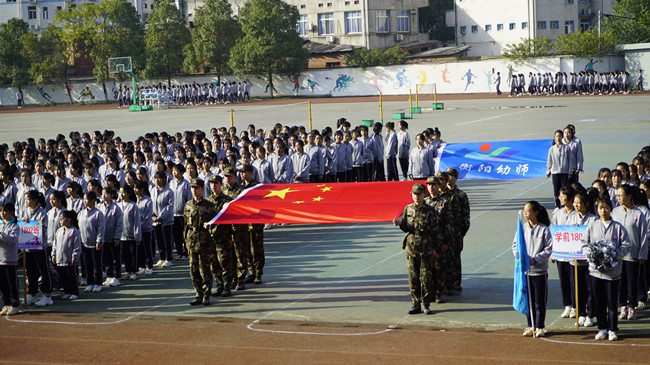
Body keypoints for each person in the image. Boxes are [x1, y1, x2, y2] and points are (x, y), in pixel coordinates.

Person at [582, 197, 630, 341]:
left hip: (613, 273)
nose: (603, 210)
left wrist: (614, 255)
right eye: (601, 208)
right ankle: (602, 328)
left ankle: (612, 329)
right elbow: (584, 244)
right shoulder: (592, 226)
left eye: (606, 208)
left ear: (611, 209)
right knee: (599, 301)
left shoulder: (618, 227)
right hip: (596, 272)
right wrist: (592, 255)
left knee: (612, 302)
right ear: (597, 210)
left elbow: (626, 246)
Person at [393, 183, 439, 315]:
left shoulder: (430, 210)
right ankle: (415, 303)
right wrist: (400, 224)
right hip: (412, 247)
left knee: (426, 277)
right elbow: (407, 228)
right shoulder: (408, 209)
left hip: (426, 246)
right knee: (413, 277)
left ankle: (427, 304)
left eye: (419, 194)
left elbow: (435, 231)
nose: (416, 196)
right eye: (414, 194)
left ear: (424, 195)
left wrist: (435, 248)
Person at [514, 201, 552, 338]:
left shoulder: (544, 229)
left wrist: (534, 259)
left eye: (528, 211)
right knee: (528, 299)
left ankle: (540, 326)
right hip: (525, 272)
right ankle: (531, 325)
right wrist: (520, 258)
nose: (525, 213)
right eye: (524, 210)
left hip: (539, 271)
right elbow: (515, 245)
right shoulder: (522, 228)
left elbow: (548, 249)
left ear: (536, 212)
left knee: (539, 300)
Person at [612, 185, 648, 321]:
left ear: (630, 196)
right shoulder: (615, 212)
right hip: (618, 255)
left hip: (633, 255)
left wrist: (642, 254)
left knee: (632, 282)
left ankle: (632, 307)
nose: (619, 198)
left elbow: (643, 236)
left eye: (622, 195)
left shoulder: (638, 214)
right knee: (620, 282)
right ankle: (623, 306)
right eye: (618, 196)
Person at [184, 178, 216, 306]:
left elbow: (216, 224)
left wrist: (210, 227)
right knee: (193, 269)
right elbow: (186, 225)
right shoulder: (188, 205)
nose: (194, 190)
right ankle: (198, 293)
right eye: (192, 187)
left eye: (197, 187)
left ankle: (206, 295)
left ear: (202, 189)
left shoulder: (209, 206)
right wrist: (185, 240)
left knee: (205, 270)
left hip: (204, 242)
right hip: (192, 240)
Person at [567, 192, 597, 327]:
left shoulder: (593, 219)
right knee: (577, 288)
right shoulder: (571, 217)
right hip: (574, 260)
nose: (576, 205)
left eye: (579, 203)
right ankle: (581, 314)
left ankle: (590, 314)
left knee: (590, 289)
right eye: (574, 202)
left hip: (588, 261)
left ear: (587, 204)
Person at [551, 186, 578, 319]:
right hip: (561, 253)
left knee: (574, 281)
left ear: (571, 198)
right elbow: (554, 232)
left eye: (563, 197)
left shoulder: (577, 213)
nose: (561, 199)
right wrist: (553, 252)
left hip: (574, 254)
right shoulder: (558, 214)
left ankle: (575, 306)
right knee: (564, 280)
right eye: (560, 196)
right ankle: (567, 305)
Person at [207, 175, 234, 297]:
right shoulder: (207, 202)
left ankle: (227, 286)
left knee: (225, 262)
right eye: (211, 183)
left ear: (220, 184)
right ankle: (219, 286)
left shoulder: (227, 201)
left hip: (224, 236)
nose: (213, 185)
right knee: (214, 264)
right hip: (211, 237)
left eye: (216, 183)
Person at [446, 168, 470, 291]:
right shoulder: (442, 194)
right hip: (444, 232)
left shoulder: (461, 195)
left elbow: (466, 215)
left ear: (456, 178)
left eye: (451, 176)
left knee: (455, 257)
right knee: (444, 257)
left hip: (456, 231)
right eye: (447, 176)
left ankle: (456, 282)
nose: (449, 179)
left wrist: (463, 232)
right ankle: (446, 283)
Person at [78, 191, 105, 293]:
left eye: (87, 199)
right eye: (84, 199)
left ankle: (98, 283)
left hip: (95, 244)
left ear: (93, 200)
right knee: (87, 265)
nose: (85, 201)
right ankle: (90, 283)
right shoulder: (81, 213)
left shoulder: (98, 214)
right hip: (84, 244)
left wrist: (99, 241)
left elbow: (101, 229)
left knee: (96, 265)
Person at [52, 210, 82, 300]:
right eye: (59, 220)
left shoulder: (74, 231)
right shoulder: (59, 231)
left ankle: (74, 292)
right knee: (63, 277)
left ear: (69, 220)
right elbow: (55, 244)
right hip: (60, 259)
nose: (60, 221)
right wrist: (53, 254)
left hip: (69, 259)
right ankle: (67, 291)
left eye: (62, 219)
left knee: (71, 276)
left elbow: (77, 245)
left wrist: (75, 256)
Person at [100, 187, 123, 287]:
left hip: (113, 237)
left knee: (115, 258)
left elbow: (119, 224)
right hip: (104, 238)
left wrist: (117, 237)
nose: (104, 196)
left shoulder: (116, 208)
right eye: (103, 194)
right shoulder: (99, 207)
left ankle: (116, 277)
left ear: (112, 195)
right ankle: (109, 276)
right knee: (107, 258)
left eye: (106, 194)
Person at [0, 203, 20, 315]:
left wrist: (1, 235)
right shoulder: (1, 224)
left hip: (9, 259)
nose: (3, 213)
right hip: (0, 259)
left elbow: (12, 240)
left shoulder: (15, 226)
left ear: (11, 212)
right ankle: (6, 304)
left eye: (5, 211)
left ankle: (14, 304)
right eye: (1, 211)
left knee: (12, 283)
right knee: (3, 284)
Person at [119, 185, 142, 281]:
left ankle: (133, 272)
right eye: (120, 192)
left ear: (128, 194)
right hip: (121, 235)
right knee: (125, 255)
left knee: (132, 255)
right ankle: (128, 272)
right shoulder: (118, 205)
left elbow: (136, 222)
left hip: (131, 235)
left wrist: (137, 236)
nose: (121, 194)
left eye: (124, 192)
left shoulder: (133, 206)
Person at [546, 130, 570, 209]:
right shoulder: (552, 149)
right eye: (556, 136)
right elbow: (549, 160)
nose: (558, 137)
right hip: (555, 172)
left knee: (564, 190)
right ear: (555, 137)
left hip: (564, 172)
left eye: (560, 136)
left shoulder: (566, 148)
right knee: (556, 190)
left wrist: (570, 171)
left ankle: (564, 205)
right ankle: (557, 206)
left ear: (562, 137)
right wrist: (548, 171)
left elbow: (570, 160)